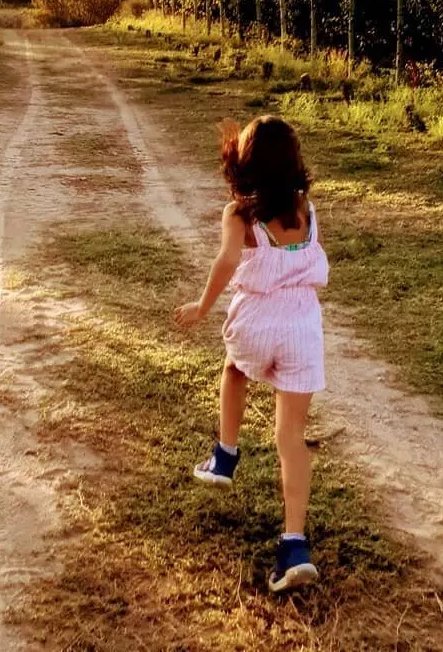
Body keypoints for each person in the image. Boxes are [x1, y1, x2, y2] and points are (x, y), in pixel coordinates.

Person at [175, 115, 328, 592]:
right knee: (291, 438)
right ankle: (295, 545)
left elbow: (226, 261)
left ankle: (225, 455)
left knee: (235, 370)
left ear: (244, 164)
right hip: (303, 328)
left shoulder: (240, 215)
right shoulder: (305, 210)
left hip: (257, 322)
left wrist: (203, 306)